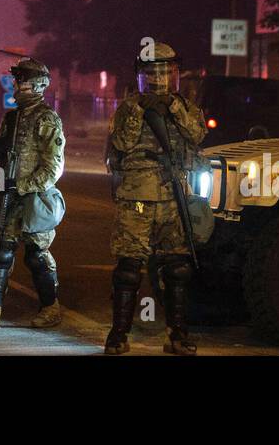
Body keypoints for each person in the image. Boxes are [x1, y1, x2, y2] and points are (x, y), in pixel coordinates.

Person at [104, 42, 205, 355]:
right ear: (141, 75)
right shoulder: (129, 108)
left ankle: (178, 335)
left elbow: (197, 135)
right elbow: (121, 142)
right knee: (128, 269)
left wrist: (173, 109)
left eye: (164, 71)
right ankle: (118, 336)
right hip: (138, 199)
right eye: (152, 72)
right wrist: (140, 109)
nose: (159, 78)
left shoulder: (184, 107)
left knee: (177, 269)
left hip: (173, 196)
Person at [0, 57, 65, 330]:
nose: (16, 84)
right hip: (8, 195)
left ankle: (50, 307)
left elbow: (53, 167)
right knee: (0, 252)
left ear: (37, 85)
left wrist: (25, 185)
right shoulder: (12, 117)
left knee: (36, 254)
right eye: (17, 80)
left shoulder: (47, 118)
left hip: (34, 198)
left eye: (21, 80)